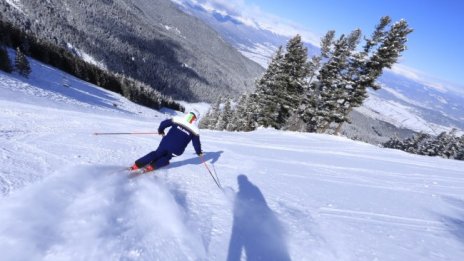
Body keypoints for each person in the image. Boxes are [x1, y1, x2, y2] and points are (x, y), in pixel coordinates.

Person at [129, 110, 203, 173]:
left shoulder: (177, 119)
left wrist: (160, 130)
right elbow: (196, 144)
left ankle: (137, 165)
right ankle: (151, 167)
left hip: (165, 143)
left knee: (156, 153)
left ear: (188, 114)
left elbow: (163, 123)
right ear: (196, 119)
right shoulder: (195, 130)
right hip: (177, 150)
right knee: (167, 157)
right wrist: (199, 152)